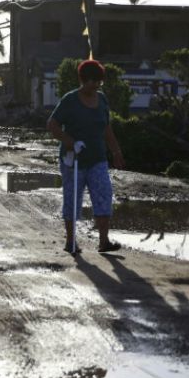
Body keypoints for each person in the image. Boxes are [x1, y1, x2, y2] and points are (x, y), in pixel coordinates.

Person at [47, 59, 126, 254]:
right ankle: (71, 241)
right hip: (73, 160)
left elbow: (106, 128)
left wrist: (116, 151)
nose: (97, 85)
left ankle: (104, 241)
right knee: (72, 198)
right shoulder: (70, 100)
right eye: (93, 81)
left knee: (103, 195)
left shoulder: (102, 100)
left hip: (97, 158)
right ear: (84, 80)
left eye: (99, 81)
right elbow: (52, 125)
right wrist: (71, 142)